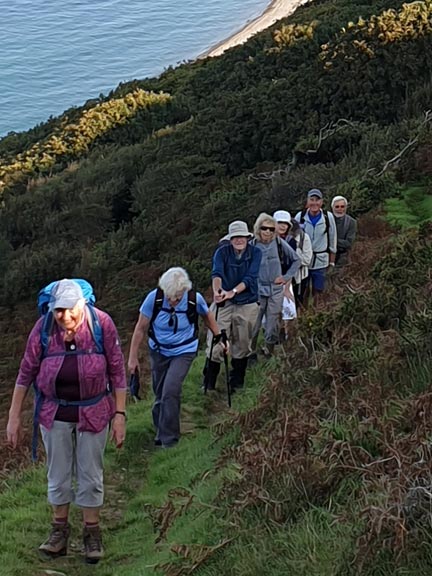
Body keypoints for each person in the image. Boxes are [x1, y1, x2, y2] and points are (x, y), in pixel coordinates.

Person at [6, 279, 126, 564]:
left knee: (90, 472)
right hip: (54, 413)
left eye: (71, 310)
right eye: (59, 310)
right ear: (51, 309)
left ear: (82, 305)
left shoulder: (102, 324)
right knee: (57, 473)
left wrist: (120, 415)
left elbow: (118, 371)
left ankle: (91, 533)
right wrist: (13, 417)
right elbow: (25, 373)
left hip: (95, 411)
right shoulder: (44, 328)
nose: (65, 316)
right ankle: (59, 533)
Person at [128, 267, 223, 447]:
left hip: (184, 350)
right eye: (170, 297)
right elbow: (140, 329)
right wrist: (133, 359)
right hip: (158, 351)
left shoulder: (194, 299)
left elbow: (207, 317)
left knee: (171, 390)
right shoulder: (153, 299)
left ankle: (169, 439)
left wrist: (219, 338)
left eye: (178, 296)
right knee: (159, 393)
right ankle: (160, 429)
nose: (173, 301)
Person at [203, 220, 261, 393]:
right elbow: (217, 273)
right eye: (235, 238)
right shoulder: (221, 252)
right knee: (216, 341)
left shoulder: (255, 253)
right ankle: (209, 383)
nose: (239, 241)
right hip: (224, 303)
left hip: (247, 302)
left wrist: (233, 292)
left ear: (247, 237)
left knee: (242, 343)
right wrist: (218, 292)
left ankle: (236, 383)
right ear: (230, 239)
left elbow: (251, 278)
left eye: (242, 237)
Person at [251, 213, 300, 357]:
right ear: (258, 229)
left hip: (275, 290)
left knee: (272, 325)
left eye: (271, 229)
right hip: (257, 291)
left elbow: (296, 260)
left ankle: (269, 352)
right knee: (254, 324)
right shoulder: (252, 245)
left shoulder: (278, 242)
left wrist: (285, 277)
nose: (267, 232)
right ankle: (250, 353)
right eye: (264, 228)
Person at [295, 189, 337, 306]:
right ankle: (301, 315)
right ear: (307, 201)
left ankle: (317, 314)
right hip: (303, 262)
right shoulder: (300, 217)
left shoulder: (328, 217)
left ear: (322, 202)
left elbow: (333, 239)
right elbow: (293, 239)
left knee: (319, 291)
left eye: (317, 200)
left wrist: (332, 262)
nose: (314, 203)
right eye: (311, 200)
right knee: (301, 292)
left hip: (321, 261)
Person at [331, 195, 357, 268]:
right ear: (332, 207)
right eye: (337, 207)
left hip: (342, 257)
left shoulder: (352, 222)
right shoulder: (326, 220)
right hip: (326, 256)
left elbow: (349, 243)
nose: (340, 209)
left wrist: (331, 241)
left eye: (342, 206)